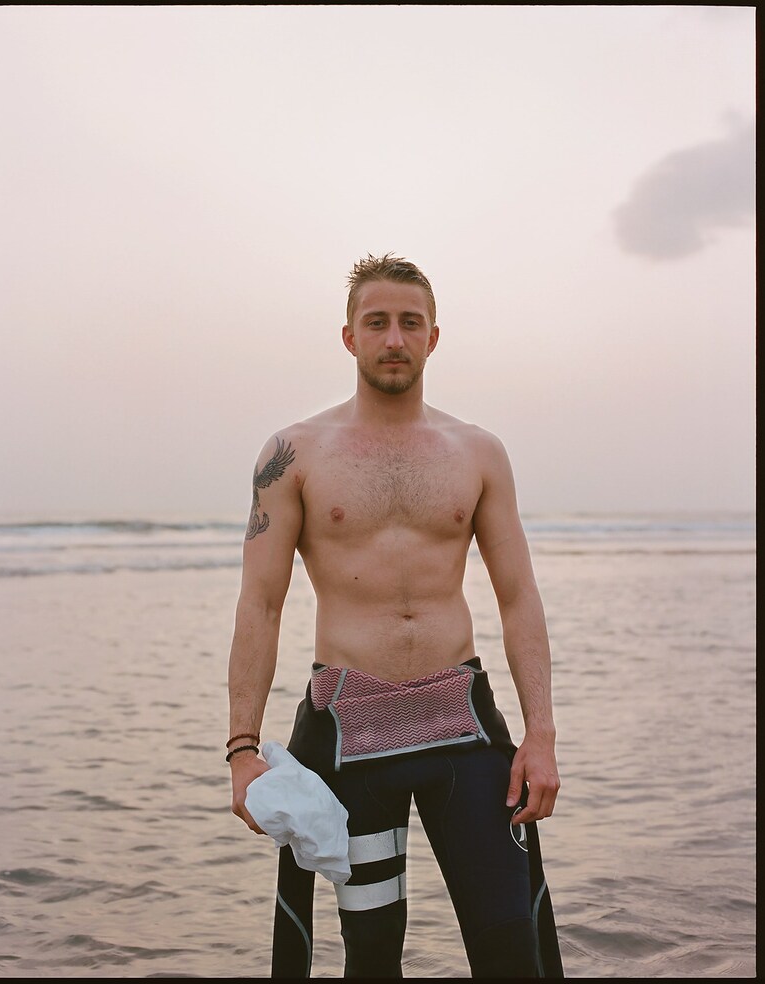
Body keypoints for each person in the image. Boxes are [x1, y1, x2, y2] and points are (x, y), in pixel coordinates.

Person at [227, 253, 563, 979]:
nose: (394, 339)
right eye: (376, 322)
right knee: (371, 958)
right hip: (353, 733)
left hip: (462, 726)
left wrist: (541, 735)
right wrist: (241, 749)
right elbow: (261, 602)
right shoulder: (294, 455)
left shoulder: (477, 451)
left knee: (511, 949)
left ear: (434, 337)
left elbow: (518, 596)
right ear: (348, 337)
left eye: (410, 324)